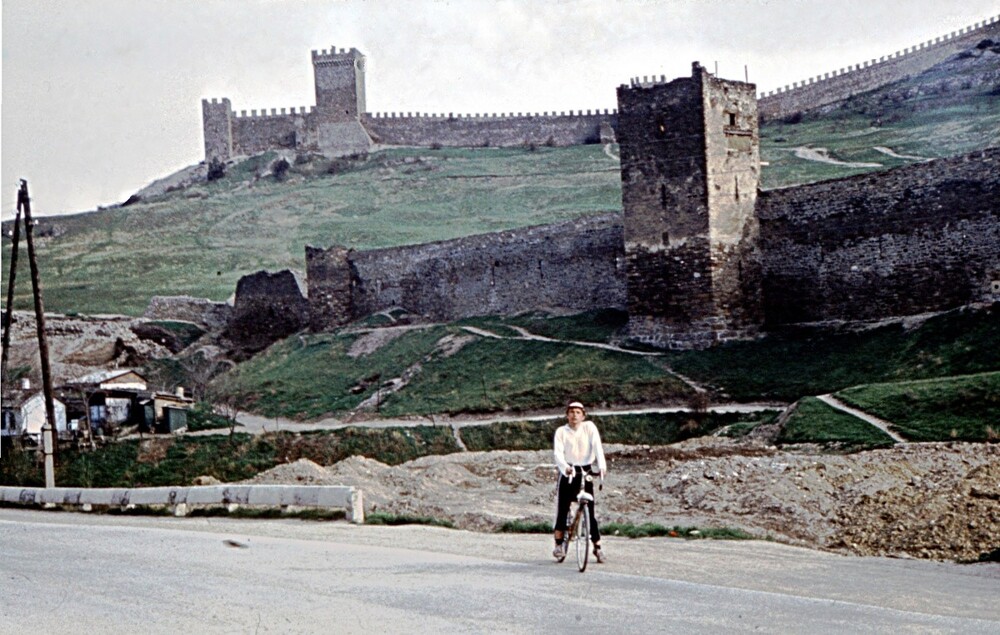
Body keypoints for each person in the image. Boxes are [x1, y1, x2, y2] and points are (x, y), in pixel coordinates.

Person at [552, 401, 607, 563]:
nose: (574, 415)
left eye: (577, 412)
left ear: (583, 415)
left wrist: (602, 467)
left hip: (586, 470)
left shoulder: (589, 427)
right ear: (567, 415)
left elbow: (598, 447)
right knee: (563, 508)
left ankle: (597, 547)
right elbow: (558, 454)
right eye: (571, 412)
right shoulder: (561, 431)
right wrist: (565, 468)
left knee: (590, 509)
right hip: (569, 471)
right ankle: (559, 545)